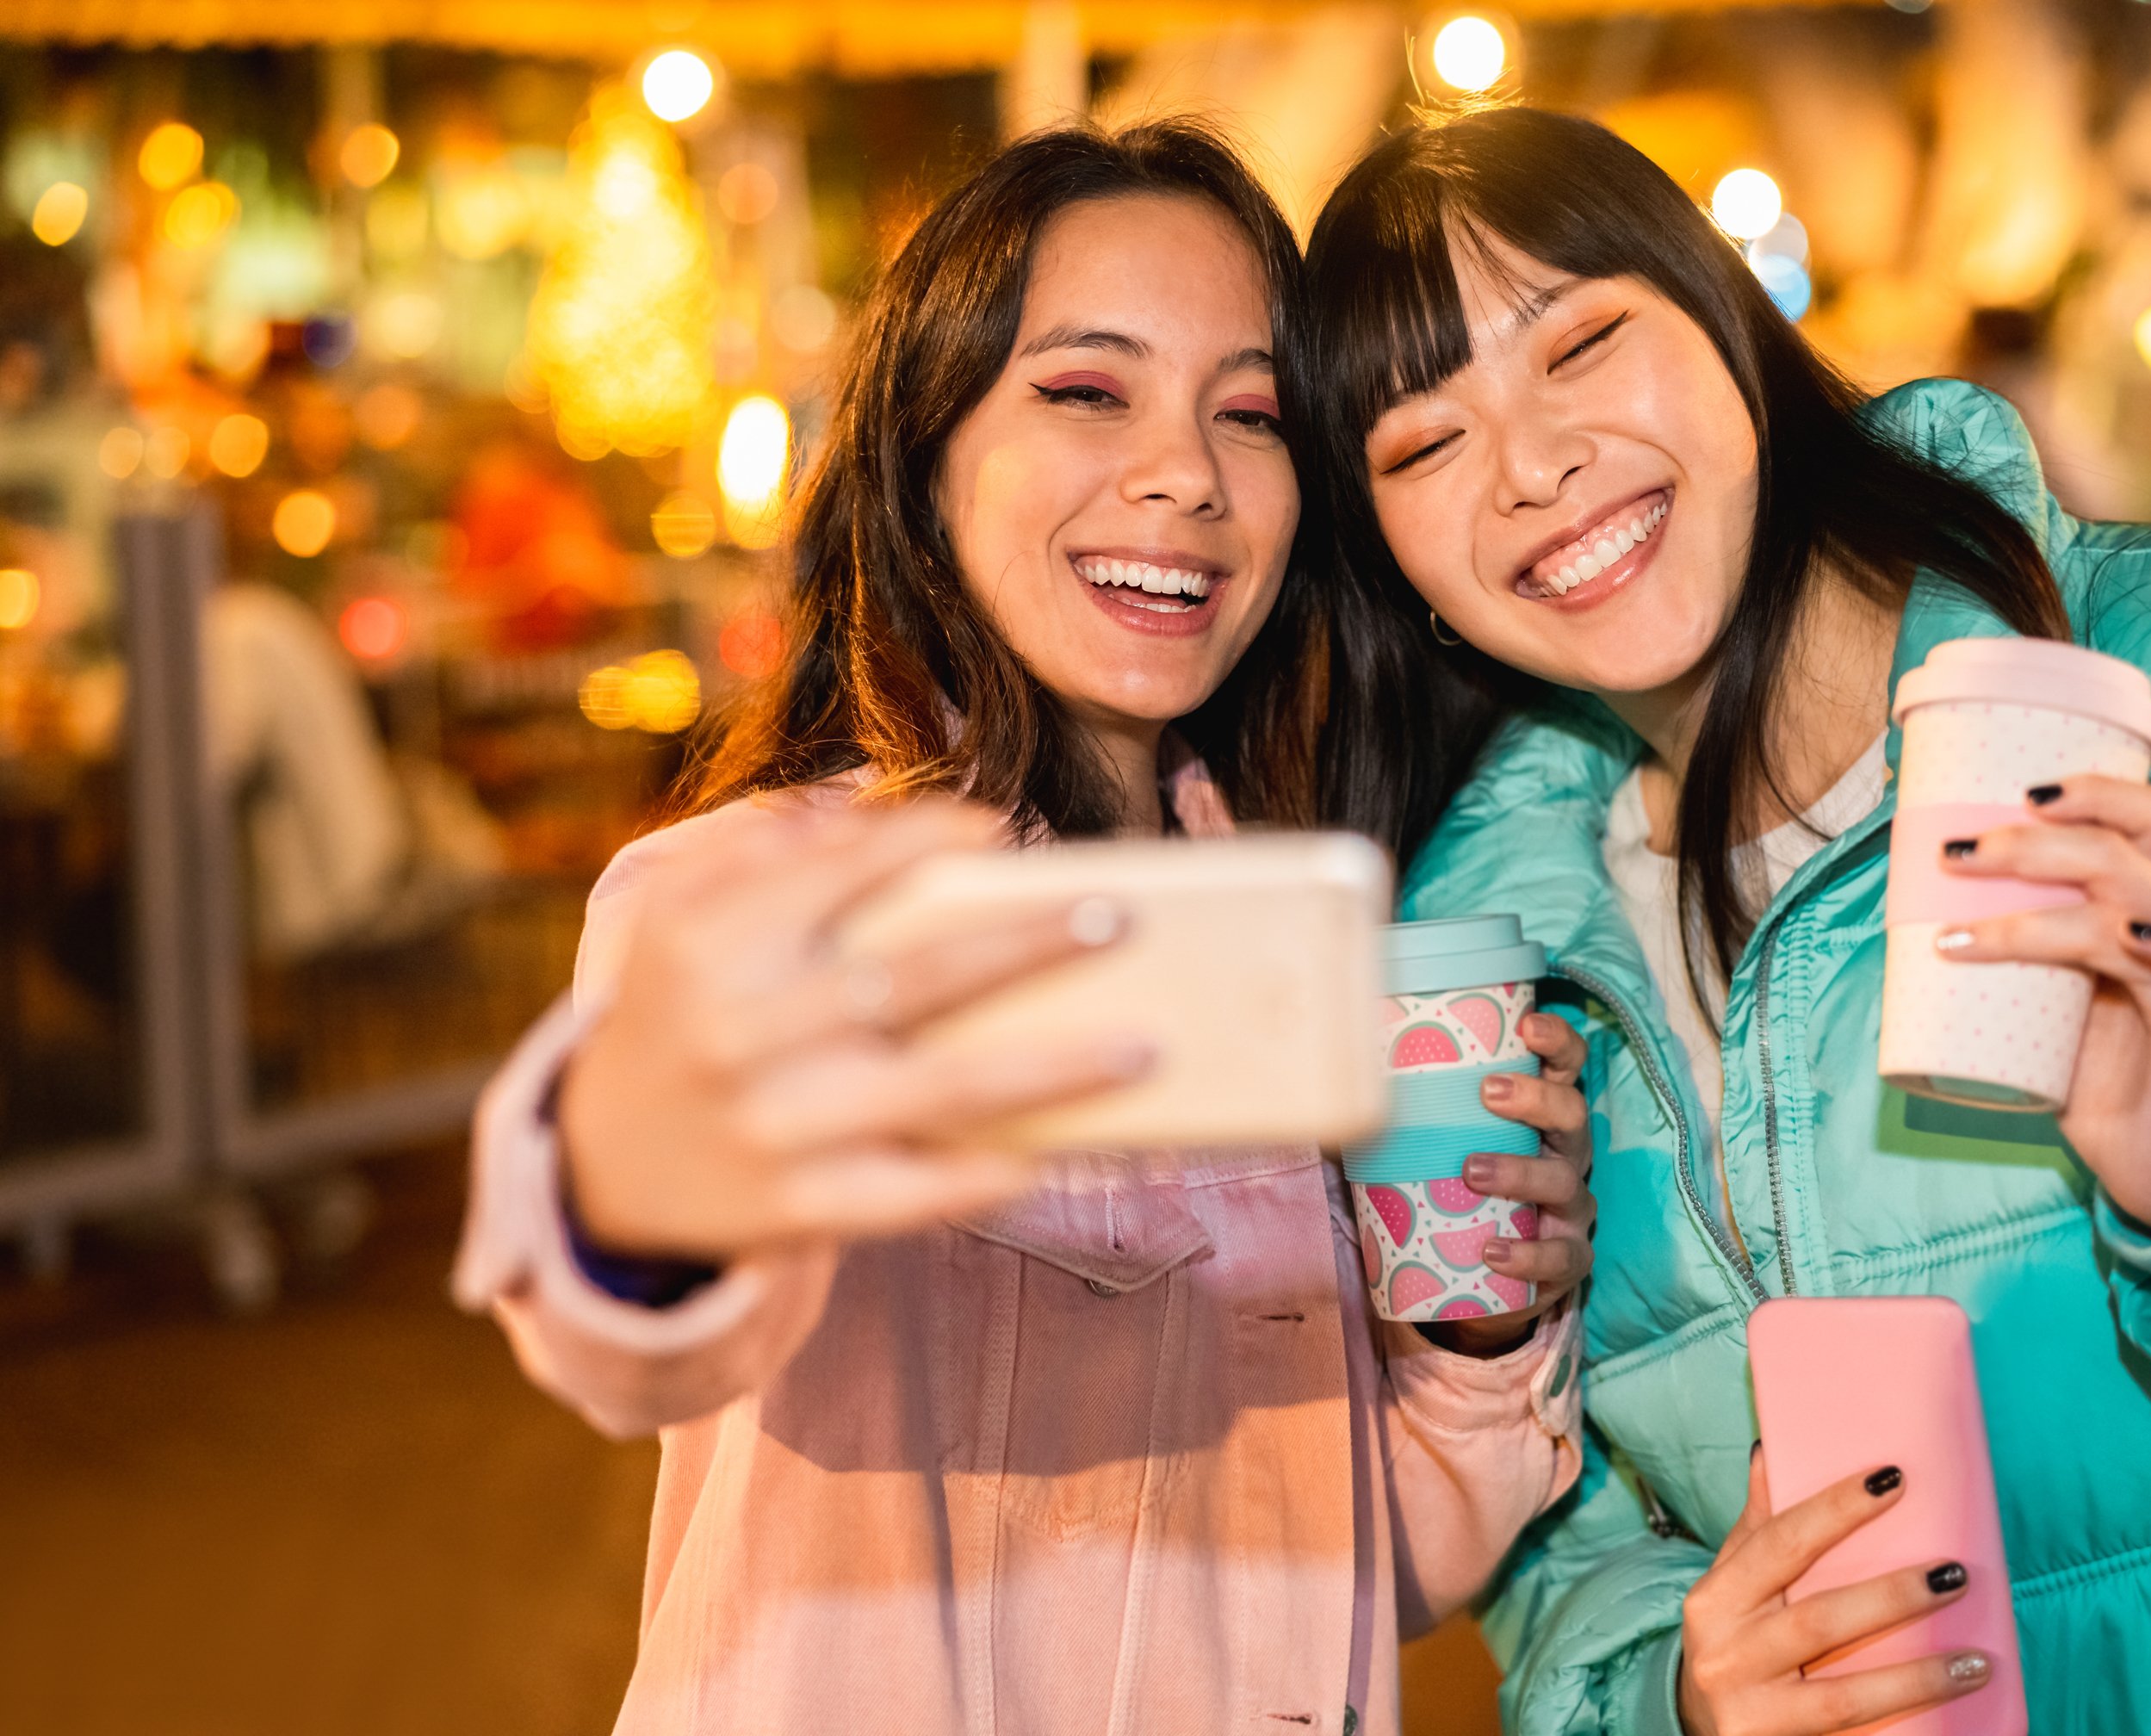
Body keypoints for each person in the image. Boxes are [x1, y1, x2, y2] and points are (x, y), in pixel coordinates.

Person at [1299, 106, 2151, 1736]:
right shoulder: (1499, 970)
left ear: (1735, 335)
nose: (1531, 466)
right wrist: (1675, 1697)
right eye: (1423, 445)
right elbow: (1563, 1550)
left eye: (1581, 344)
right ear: (1392, 563)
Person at [453, 121, 1596, 1736]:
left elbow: (1341, 1589)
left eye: (1248, 413)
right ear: (926, 454)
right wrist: (637, 1167)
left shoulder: (1298, 943)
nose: (1183, 473)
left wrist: (1472, 1324)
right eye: (1084, 390)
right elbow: (620, 1329)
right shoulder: (757, 894)